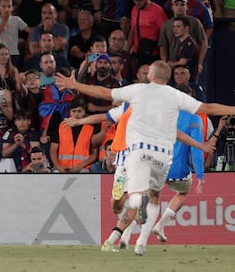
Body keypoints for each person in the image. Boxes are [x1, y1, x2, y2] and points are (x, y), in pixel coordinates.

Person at [55, 60, 235, 255]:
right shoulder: (175, 96)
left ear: (151, 76)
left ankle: (133, 204)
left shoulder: (138, 92)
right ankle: (141, 242)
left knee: (132, 198)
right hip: (163, 156)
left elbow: (104, 93)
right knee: (155, 196)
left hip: (138, 152)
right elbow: (207, 108)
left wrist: (75, 85)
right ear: (168, 78)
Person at [152, 84, 205, 243]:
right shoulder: (194, 119)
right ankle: (160, 225)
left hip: (156, 166)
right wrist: (200, 175)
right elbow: (196, 149)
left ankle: (126, 232)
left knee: (151, 194)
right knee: (183, 193)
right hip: (177, 170)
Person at [49, 96, 98, 173]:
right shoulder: (61, 126)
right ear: (69, 112)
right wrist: (59, 167)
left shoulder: (90, 128)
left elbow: (94, 154)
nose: (76, 114)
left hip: (83, 169)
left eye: (79, 111)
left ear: (84, 112)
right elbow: (53, 151)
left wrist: (81, 166)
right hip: (63, 168)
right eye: (74, 111)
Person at [128, 0, 168, 66]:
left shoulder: (158, 11)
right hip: (137, 52)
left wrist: (164, 57)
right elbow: (132, 31)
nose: (136, 3)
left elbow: (164, 34)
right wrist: (127, 51)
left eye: (139, 0)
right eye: (134, 0)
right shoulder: (134, 9)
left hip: (152, 54)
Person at [0, 0, 30, 70]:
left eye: (9, 6)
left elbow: (28, 29)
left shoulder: (16, 19)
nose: (6, 9)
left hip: (13, 53)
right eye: (4, 6)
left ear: (12, 8)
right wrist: (5, 20)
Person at [167, 17, 199, 82]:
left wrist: (167, 63)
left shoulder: (189, 44)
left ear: (186, 28)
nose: (175, 29)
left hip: (188, 81)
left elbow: (182, 63)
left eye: (178, 26)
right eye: (174, 27)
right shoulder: (182, 43)